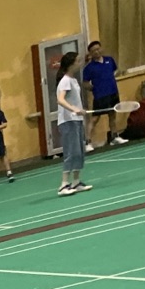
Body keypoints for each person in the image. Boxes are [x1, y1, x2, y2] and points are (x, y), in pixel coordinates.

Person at [55, 51, 91, 196]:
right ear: (70, 64)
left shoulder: (73, 80)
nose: (79, 63)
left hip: (77, 120)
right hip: (68, 121)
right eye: (77, 61)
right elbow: (60, 100)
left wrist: (80, 110)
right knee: (71, 152)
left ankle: (76, 182)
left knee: (79, 151)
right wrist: (74, 109)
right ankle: (63, 185)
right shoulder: (65, 80)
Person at [83, 40, 127, 149]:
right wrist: (93, 88)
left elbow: (115, 71)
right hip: (100, 96)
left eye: (98, 49)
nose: (96, 52)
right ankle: (88, 142)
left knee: (112, 116)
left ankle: (114, 137)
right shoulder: (89, 68)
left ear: (101, 49)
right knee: (94, 119)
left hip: (113, 93)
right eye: (94, 51)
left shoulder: (109, 60)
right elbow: (85, 83)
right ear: (90, 53)